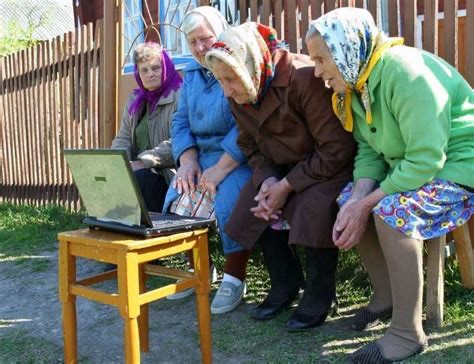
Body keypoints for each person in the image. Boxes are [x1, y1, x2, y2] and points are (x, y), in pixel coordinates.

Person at [306, 7, 474, 363]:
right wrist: (358, 200)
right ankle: (385, 297)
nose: (317, 72)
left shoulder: (404, 73)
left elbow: (428, 158)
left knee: (390, 210)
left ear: (346, 48)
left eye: (322, 59)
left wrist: (370, 202)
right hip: (416, 168)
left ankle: (406, 333)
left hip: (459, 168)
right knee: (349, 199)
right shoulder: (358, 81)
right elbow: (369, 150)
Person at [205, 22, 356, 331]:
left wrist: (287, 185)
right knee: (254, 202)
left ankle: (319, 291)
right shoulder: (241, 89)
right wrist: (269, 181)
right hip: (281, 169)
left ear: (249, 63)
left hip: (325, 167)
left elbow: (336, 148)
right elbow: (249, 146)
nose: (226, 90)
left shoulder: (302, 77)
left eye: (230, 79)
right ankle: (285, 282)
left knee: (314, 206)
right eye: (220, 81)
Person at [162, 6, 252, 314]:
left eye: (206, 38)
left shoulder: (237, 64)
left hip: (235, 157)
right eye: (193, 42)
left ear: (221, 34)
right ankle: (199, 269)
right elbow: (180, 121)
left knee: (228, 201)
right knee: (179, 196)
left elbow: (247, 123)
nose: (200, 48)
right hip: (200, 156)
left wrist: (221, 168)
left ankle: (235, 278)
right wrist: (187, 160)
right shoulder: (192, 75)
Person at [112, 42, 182, 212]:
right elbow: (124, 137)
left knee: (140, 179)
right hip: (137, 171)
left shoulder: (179, 95)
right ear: (138, 73)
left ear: (165, 67)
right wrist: (117, 163)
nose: (150, 74)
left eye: (155, 68)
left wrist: (144, 162)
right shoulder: (135, 101)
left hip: (168, 175)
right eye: (144, 70)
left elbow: (179, 141)